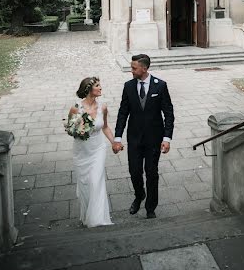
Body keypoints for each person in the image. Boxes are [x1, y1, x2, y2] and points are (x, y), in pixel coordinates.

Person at [112, 54, 174, 219]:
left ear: (144, 68)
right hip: (134, 138)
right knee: (134, 171)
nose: (131, 70)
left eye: (134, 68)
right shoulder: (128, 86)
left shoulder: (160, 86)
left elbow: (168, 113)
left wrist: (167, 138)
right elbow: (123, 113)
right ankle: (139, 195)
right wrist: (117, 137)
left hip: (154, 139)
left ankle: (150, 207)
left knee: (151, 172)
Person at [68, 77, 115, 228]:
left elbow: (105, 127)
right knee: (85, 184)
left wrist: (114, 142)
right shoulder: (76, 108)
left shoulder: (103, 107)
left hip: (98, 148)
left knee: (96, 181)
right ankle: (86, 216)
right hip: (82, 151)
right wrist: (79, 130)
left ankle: (97, 220)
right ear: (89, 89)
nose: (101, 88)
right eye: (97, 86)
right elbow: (70, 129)